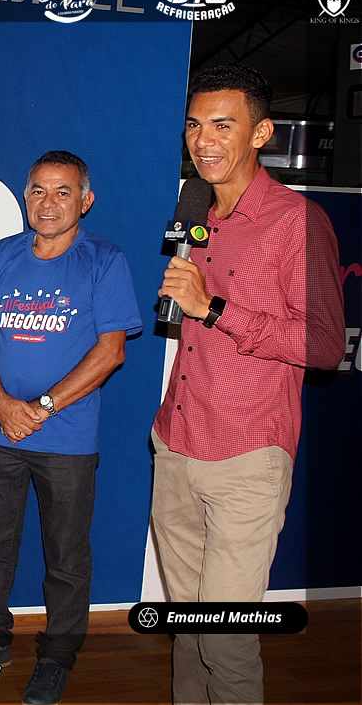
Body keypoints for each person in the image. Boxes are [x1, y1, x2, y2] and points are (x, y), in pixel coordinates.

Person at [152, 64, 344, 704]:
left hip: (247, 456)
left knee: (225, 638)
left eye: (222, 126)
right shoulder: (194, 207)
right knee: (187, 632)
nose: (203, 141)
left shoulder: (298, 222)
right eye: (194, 126)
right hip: (176, 445)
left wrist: (214, 308)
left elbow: (324, 346)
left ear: (261, 133)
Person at [0, 151, 141, 705]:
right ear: (25, 196)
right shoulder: (3, 254)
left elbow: (111, 352)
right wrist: (1, 403)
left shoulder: (105, 260)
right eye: (37, 190)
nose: (47, 202)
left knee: (66, 557)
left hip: (67, 440)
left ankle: (57, 656)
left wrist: (43, 406)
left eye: (62, 191)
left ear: (85, 200)